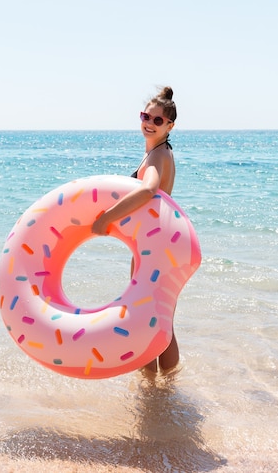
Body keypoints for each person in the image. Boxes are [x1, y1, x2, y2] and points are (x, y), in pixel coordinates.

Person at [91, 86, 179, 374]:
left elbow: (149, 189)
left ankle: (151, 387)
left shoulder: (157, 156)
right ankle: (167, 386)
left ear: (170, 126)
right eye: (146, 116)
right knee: (160, 318)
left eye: (157, 120)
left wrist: (106, 218)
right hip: (158, 244)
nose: (149, 123)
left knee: (144, 319)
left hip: (153, 248)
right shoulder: (160, 152)